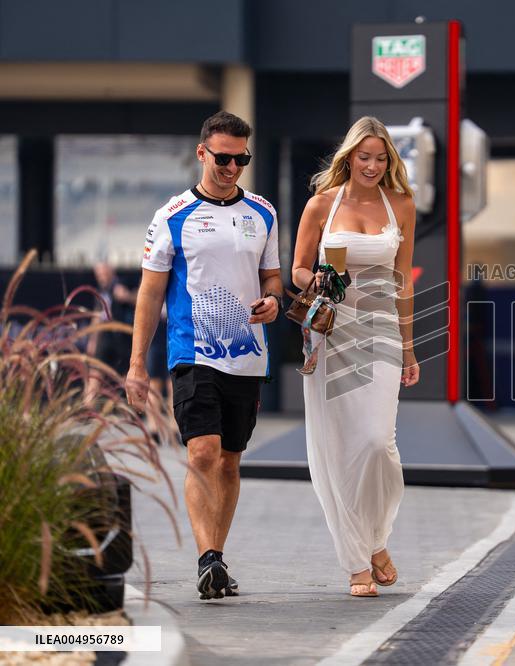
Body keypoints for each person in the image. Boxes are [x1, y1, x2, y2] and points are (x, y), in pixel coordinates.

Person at [126, 111, 282, 600]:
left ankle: (216, 557)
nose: (232, 167)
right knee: (203, 451)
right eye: (223, 158)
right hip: (192, 352)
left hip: (248, 355)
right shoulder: (171, 215)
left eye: (241, 159)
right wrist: (135, 365)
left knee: (231, 462)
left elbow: (272, 277)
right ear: (201, 154)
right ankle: (206, 558)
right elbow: (149, 296)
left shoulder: (264, 213)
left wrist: (274, 300)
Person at [291, 116, 419, 597]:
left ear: (390, 160)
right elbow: (299, 269)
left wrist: (409, 347)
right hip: (332, 333)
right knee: (340, 447)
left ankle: (377, 540)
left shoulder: (402, 205)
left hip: (382, 329)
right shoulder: (322, 204)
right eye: (363, 157)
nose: (371, 165)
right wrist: (320, 280)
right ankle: (358, 563)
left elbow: (403, 281)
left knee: (376, 444)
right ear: (348, 157)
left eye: (380, 157)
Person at [86, 262, 136, 401]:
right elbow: (97, 317)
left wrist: (127, 296)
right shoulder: (101, 290)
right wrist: (92, 340)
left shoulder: (124, 283)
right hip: (105, 337)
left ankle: (135, 408)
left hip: (123, 337)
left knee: (128, 376)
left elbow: (146, 298)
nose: (100, 277)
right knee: (96, 372)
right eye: (98, 274)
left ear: (111, 271)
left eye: (103, 273)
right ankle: (87, 408)